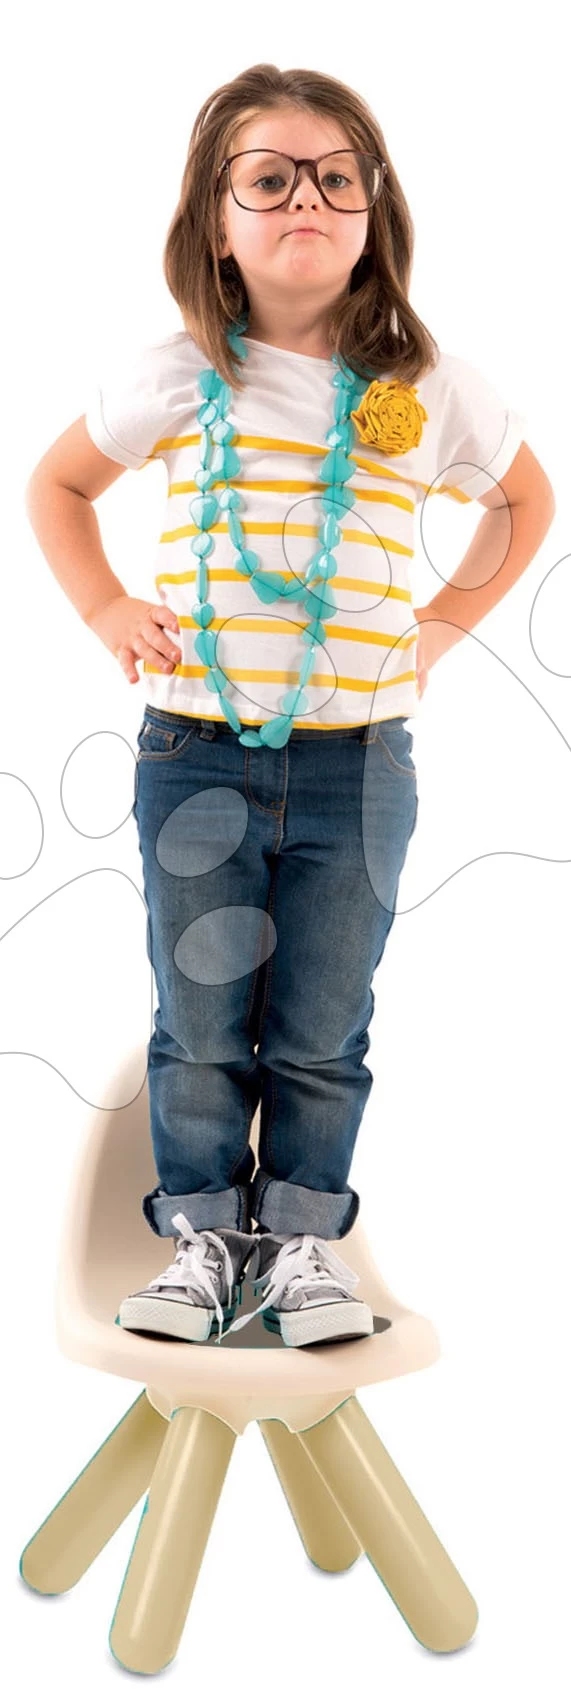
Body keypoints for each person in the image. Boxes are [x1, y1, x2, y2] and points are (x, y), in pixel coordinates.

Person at [25, 64, 553, 1351]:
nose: (304, 199)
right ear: (217, 221)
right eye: (268, 179)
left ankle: (303, 1246)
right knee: (200, 1022)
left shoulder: (427, 385)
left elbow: (523, 502)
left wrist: (437, 628)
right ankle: (204, 1242)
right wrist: (105, 608)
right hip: (192, 755)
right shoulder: (175, 375)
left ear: (376, 210)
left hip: (358, 767)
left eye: (333, 177)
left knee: (322, 1024)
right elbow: (58, 485)